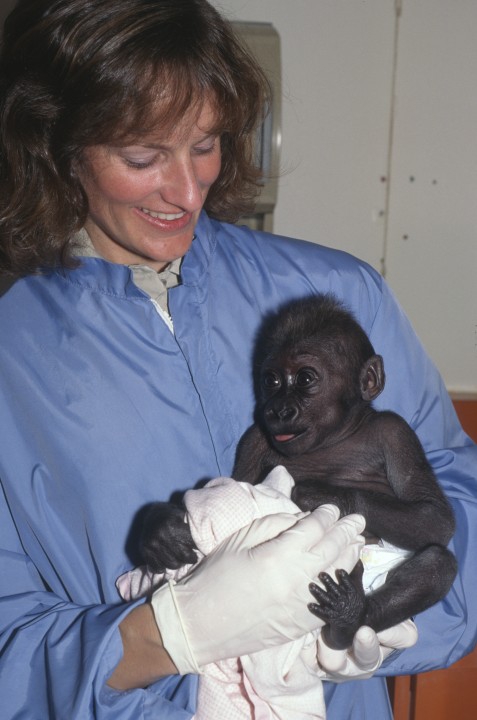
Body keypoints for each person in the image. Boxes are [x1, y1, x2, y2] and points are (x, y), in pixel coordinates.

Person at [0, 1, 475, 718]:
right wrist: (169, 633)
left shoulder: (337, 296)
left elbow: (453, 500)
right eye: (141, 156)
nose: (188, 191)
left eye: (206, 143)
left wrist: (359, 622)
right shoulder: (12, 349)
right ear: (56, 143)